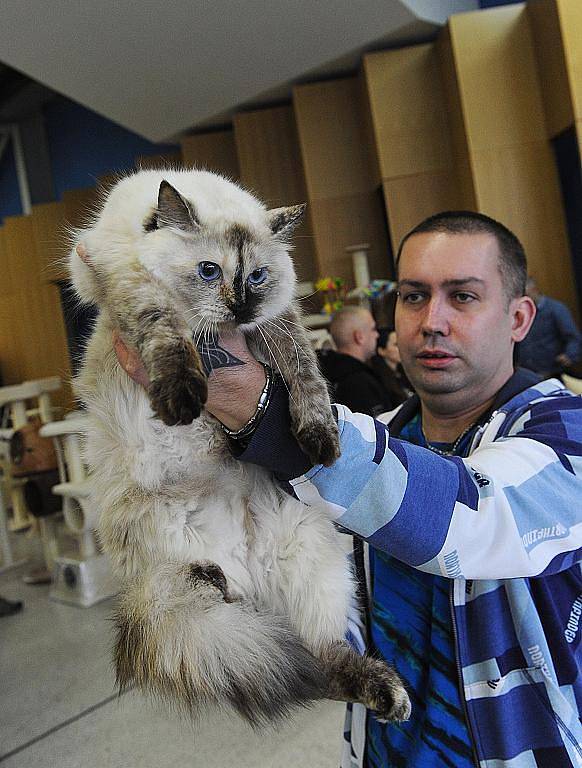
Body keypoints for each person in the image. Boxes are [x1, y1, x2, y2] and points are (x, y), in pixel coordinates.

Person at [116, 211, 582, 767]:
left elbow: (467, 516)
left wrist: (261, 409)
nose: (431, 320)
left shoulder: (565, 434)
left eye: (462, 297)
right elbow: (301, 586)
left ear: (519, 318)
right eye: (413, 297)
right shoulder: (382, 436)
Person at [317, 306, 406, 416]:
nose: (377, 335)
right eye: (373, 329)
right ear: (359, 337)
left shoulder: (328, 373)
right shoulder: (358, 383)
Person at [517, 276, 582, 377]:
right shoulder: (521, 313)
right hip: (528, 373)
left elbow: (573, 337)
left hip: (553, 372)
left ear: (534, 290)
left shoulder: (556, 309)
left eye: (526, 295)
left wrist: (569, 355)